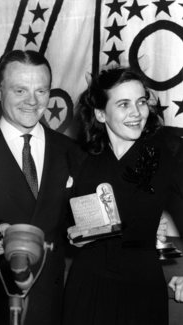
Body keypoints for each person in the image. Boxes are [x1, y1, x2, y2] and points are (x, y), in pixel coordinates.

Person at [0, 50, 84, 325]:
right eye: (20, 90)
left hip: (49, 305)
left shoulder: (72, 151)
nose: (32, 101)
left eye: (41, 91)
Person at [63, 67, 183, 325]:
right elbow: (63, 224)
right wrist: (73, 236)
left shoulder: (167, 155)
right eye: (123, 104)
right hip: (87, 288)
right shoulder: (80, 159)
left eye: (141, 102)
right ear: (100, 114)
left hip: (143, 289)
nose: (137, 113)